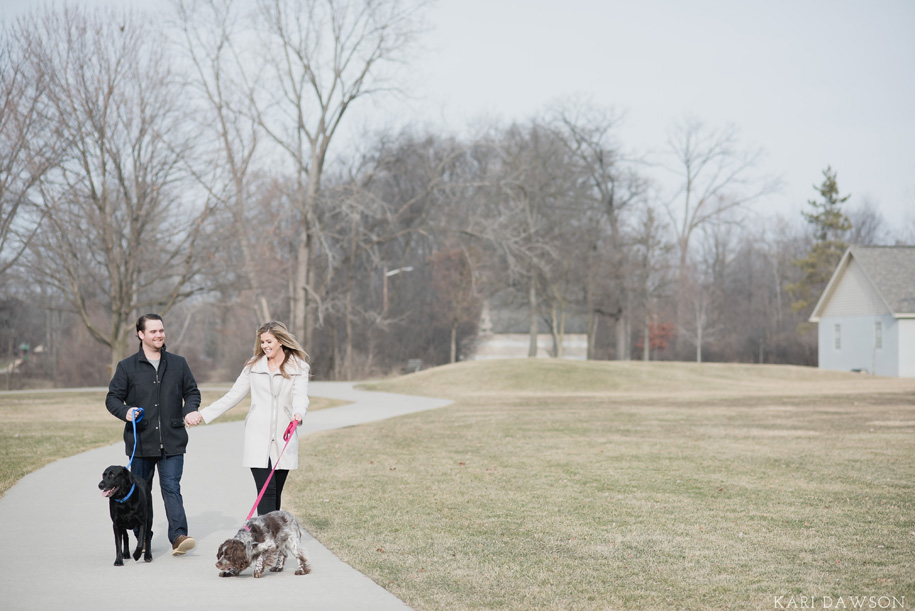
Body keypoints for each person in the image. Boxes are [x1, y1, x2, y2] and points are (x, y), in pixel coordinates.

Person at [187, 321, 309, 515]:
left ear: (281, 341)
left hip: (284, 437)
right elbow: (232, 396)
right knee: (266, 492)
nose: (265, 346)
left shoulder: (298, 367)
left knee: (276, 493)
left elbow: (301, 396)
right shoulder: (253, 367)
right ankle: (266, 541)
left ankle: (273, 538)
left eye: (269, 341)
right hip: (257, 436)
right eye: (262, 342)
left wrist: (298, 413)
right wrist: (203, 414)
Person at [106, 313, 201, 556]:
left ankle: (179, 536)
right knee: (140, 492)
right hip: (141, 442)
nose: (159, 335)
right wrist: (125, 411)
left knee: (171, 488)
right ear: (141, 334)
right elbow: (112, 398)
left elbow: (192, 392)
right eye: (153, 331)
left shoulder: (178, 363)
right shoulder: (126, 367)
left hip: (173, 439)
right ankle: (143, 538)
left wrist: (190, 410)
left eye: (161, 330)